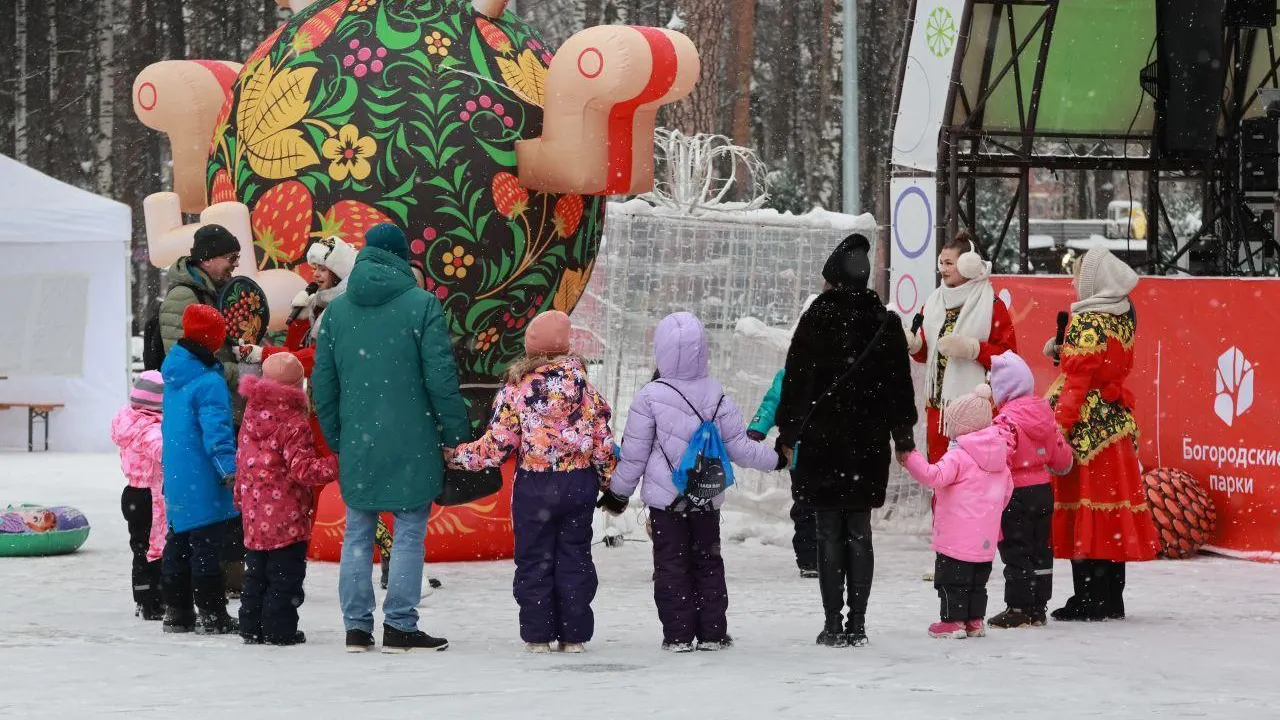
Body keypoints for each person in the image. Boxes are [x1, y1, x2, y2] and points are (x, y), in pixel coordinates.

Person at [312, 223, 471, 654]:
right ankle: (400, 624)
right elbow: (441, 379)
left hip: (359, 437)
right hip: (413, 436)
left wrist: (339, 437)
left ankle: (356, 629)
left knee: (358, 533)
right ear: (403, 259)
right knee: (408, 531)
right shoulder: (422, 306)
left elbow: (322, 387)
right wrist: (458, 435)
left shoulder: (337, 313)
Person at [604, 312, 785, 653]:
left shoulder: (649, 398)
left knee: (670, 565)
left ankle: (678, 635)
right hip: (704, 496)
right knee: (708, 562)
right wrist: (777, 459)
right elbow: (742, 450)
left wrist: (618, 493)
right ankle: (713, 633)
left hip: (665, 502)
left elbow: (634, 455)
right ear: (704, 351)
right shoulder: (719, 398)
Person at [774, 233, 917, 649]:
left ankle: (832, 624)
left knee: (826, 532)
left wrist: (787, 434)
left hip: (822, 445)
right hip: (867, 445)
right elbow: (898, 387)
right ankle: (858, 623)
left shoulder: (816, 318)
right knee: (859, 530)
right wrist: (902, 436)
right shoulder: (884, 322)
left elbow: (797, 383)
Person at [449, 311, 618, 653]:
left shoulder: (517, 388)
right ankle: (574, 635)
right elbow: (603, 442)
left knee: (534, 559)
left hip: (534, 487)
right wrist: (607, 481)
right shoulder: (585, 387)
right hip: (577, 484)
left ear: (530, 347)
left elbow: (496, 445)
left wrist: (457, 456)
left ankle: (538, 635)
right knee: (575, 558)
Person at [1045, 247, 1159, 621]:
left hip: (1088, 432)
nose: (1073, 283)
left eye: (1078, 276)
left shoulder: (1088, 320)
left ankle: (1088, 598)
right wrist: (1064, 353)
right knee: (1107, 515)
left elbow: (1078, 380)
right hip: (1116, 425)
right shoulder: (1123, 315)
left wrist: (1058, 428)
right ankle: (1111, 596)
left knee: (1084, 509)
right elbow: (1104, 365)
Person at [157, 223, 252, 598]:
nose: (234, 264)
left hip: (214, 411)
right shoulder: (185, 297)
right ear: (209, 257)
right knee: (206, 521)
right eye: (230, 257)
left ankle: (187, 601)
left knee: (200, 523)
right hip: (207, 419)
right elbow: (186, 360)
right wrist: (239, 373)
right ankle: (211, 597)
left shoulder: (210, 292)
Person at [234, 352, 338, 646]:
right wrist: (335, 464)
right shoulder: (294, 423)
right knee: (284, 577)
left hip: (254, 513)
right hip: (286, 515)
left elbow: (242, 461)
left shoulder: (250, 415)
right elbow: (303, 470)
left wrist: (240, 499)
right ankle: (280, 630)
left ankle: (251, 627)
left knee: (255, 575)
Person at [900, 384, 1014, 639]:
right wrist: (988, 514)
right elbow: (1006, 491)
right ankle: (974, 621)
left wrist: (911, 458)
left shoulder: (959, 456)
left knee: (952, 581)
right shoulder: (999, 456)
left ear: (961, 426)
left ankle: (953, 621)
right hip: (984, 540)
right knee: (977, 583)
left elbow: (934, 476)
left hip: (956, 537)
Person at [159, 305, 240, 635]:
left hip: (178, 474)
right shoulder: (209, 381)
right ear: (214, 339)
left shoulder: (175, 375)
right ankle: (212, 613)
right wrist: (228, 470)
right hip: (204, 476)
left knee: (178, 541)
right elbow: (217, 431)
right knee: (206, 546)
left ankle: (176, 611)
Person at [906, 231, 1017, 463]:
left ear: (968, 265)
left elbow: (1010, 360)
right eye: (941, 263)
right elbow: (928, 355)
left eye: (949, 263)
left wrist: (974, 349)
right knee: (939, 474)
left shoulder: (992, 305)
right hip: (939, 409)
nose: (943, 269)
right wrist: (915, 346)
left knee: (972, 478)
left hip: (974, 409)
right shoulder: (934, 302)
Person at [987, 351, 1073, 629]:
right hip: (1043, 492)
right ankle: (1038, 605)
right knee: (1040, 548)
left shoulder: (1006, 421)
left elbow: (999, 457)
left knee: (1016, 549)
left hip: (1016, 494)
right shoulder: (1045, 414)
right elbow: (1061, 457)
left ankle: (1018, 607)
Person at [746, 295, 819, 579]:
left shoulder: (839, 373)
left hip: (829, 452)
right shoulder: (788, 373)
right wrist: (757, 428)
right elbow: (772, 401)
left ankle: (827, 555)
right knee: (804, 507)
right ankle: (809, 558)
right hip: (799, 452)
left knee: (825, 507)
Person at [110, 371, 168, 621]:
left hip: (132, 493)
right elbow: (162, 452)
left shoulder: (127, 421)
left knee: (139, 547)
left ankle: (141, 597)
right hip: (150, 495)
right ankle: (154, 602)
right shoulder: (151, 429)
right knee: (156, 548)